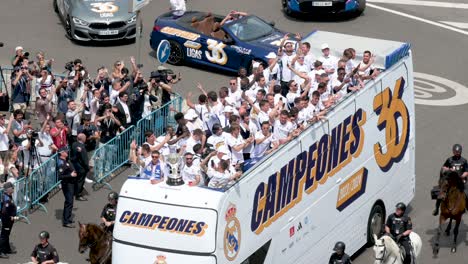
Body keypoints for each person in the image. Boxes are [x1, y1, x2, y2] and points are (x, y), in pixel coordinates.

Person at [433, 144, 468, 215]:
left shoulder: (464, 161)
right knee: (440, 193)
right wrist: (449, 169)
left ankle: (465, 207)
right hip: (450, 182)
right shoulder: (449, 160)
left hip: (461, 182)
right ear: (453, 151)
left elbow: (466, 171)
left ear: (460, 151)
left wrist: (462, 176)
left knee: (467, 194)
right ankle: (437, 208)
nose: (457, 153)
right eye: (455, 151)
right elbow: (443, 167)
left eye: (458, 151)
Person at [58, 150, 78, 228]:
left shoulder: (67, 160)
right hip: (67, 184)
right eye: (65, 151)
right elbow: (60, 176)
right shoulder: (61, 163)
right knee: (69, 202)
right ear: (61, 153)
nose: (67, 152)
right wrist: (70, 175)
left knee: (70, 202)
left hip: (71, 184)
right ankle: (66, 221)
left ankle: (68, 218)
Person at [0, 182, 18, 259]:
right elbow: (4, 211)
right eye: (12, 188)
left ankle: (7, 249)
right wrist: (10, 217)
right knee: (4, 236)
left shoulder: (8, 196)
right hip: (7, 220)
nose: (13, 189)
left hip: (9, 220)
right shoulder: (6, 198)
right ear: (8, 189)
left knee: (7, 235)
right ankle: (1, 251)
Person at [70, 133, 89, 201]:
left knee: (76, 180)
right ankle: (78, 195)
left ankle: (74, 192)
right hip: (81, 167)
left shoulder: (74, 144)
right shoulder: (82, 147)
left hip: (75, 165)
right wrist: (87, 168)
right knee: (80, 181)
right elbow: (84, 159)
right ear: (83, 139)